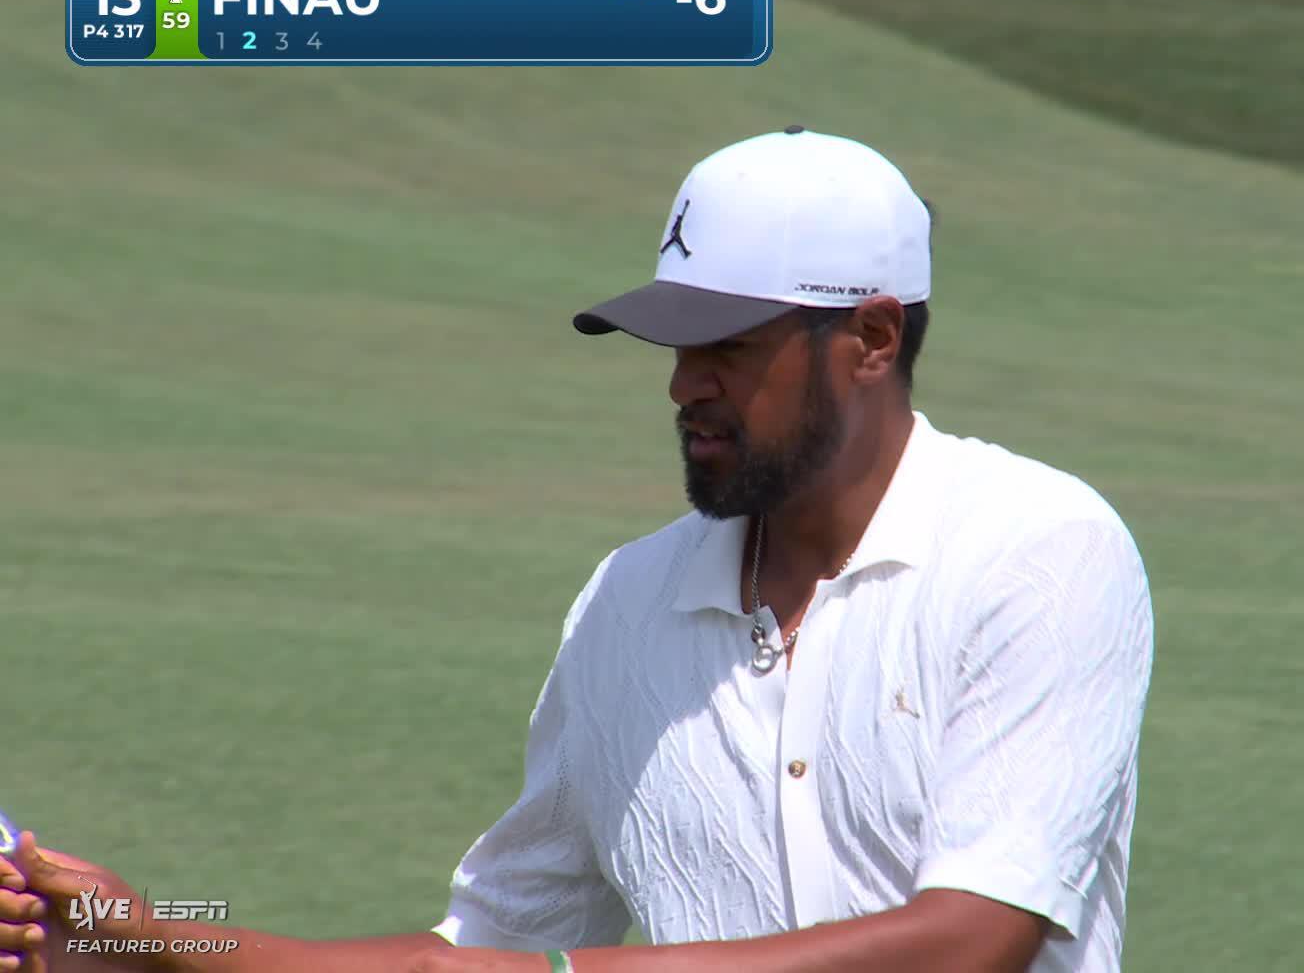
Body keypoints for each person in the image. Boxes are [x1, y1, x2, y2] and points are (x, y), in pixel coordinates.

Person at [0, 127, 1155, 973]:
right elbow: (471, 955)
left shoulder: (1036, 549)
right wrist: (140, 930)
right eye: (671, 343)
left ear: (868, 337)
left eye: (728, 347)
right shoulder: (628, 601)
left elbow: (971, 940)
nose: (682, 383)